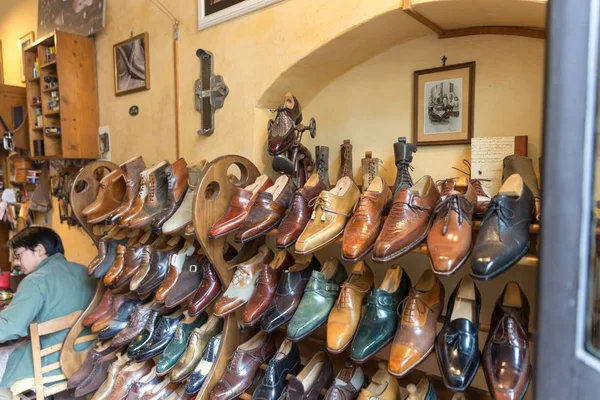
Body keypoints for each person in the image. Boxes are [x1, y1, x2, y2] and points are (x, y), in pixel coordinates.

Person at [0, 227, 95, 398]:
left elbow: (9, 327)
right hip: (88, 355)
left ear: (40, 250)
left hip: (52, 363)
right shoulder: (85, 271)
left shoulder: (35, 281)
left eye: (17, 255)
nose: (15, 263)